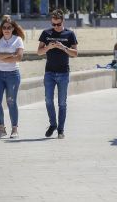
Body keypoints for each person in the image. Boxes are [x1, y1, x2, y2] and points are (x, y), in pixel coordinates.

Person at [37, 10, 78, 139]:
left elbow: (75, 53)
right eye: (53, 24)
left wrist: (63, 48)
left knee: (62, 103)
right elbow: (39, 52)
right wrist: (49, 47)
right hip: (49, 72)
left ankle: (61, 130)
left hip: (63, 73)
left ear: (63, 21)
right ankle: (53, 124)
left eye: (58, 24)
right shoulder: (46, 33)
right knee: (48, 100)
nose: (55, 27)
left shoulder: (70, 34)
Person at [0, 18, 25, 139]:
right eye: (4, 28)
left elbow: (19, 58)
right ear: (1, 29)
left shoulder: (18, 40)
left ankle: (14, 129)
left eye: (9, 27)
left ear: (13, 28)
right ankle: (1, 128)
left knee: (11, 102)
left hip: (13, 75)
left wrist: (0, 56)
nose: (6, 30)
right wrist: (10, 54)